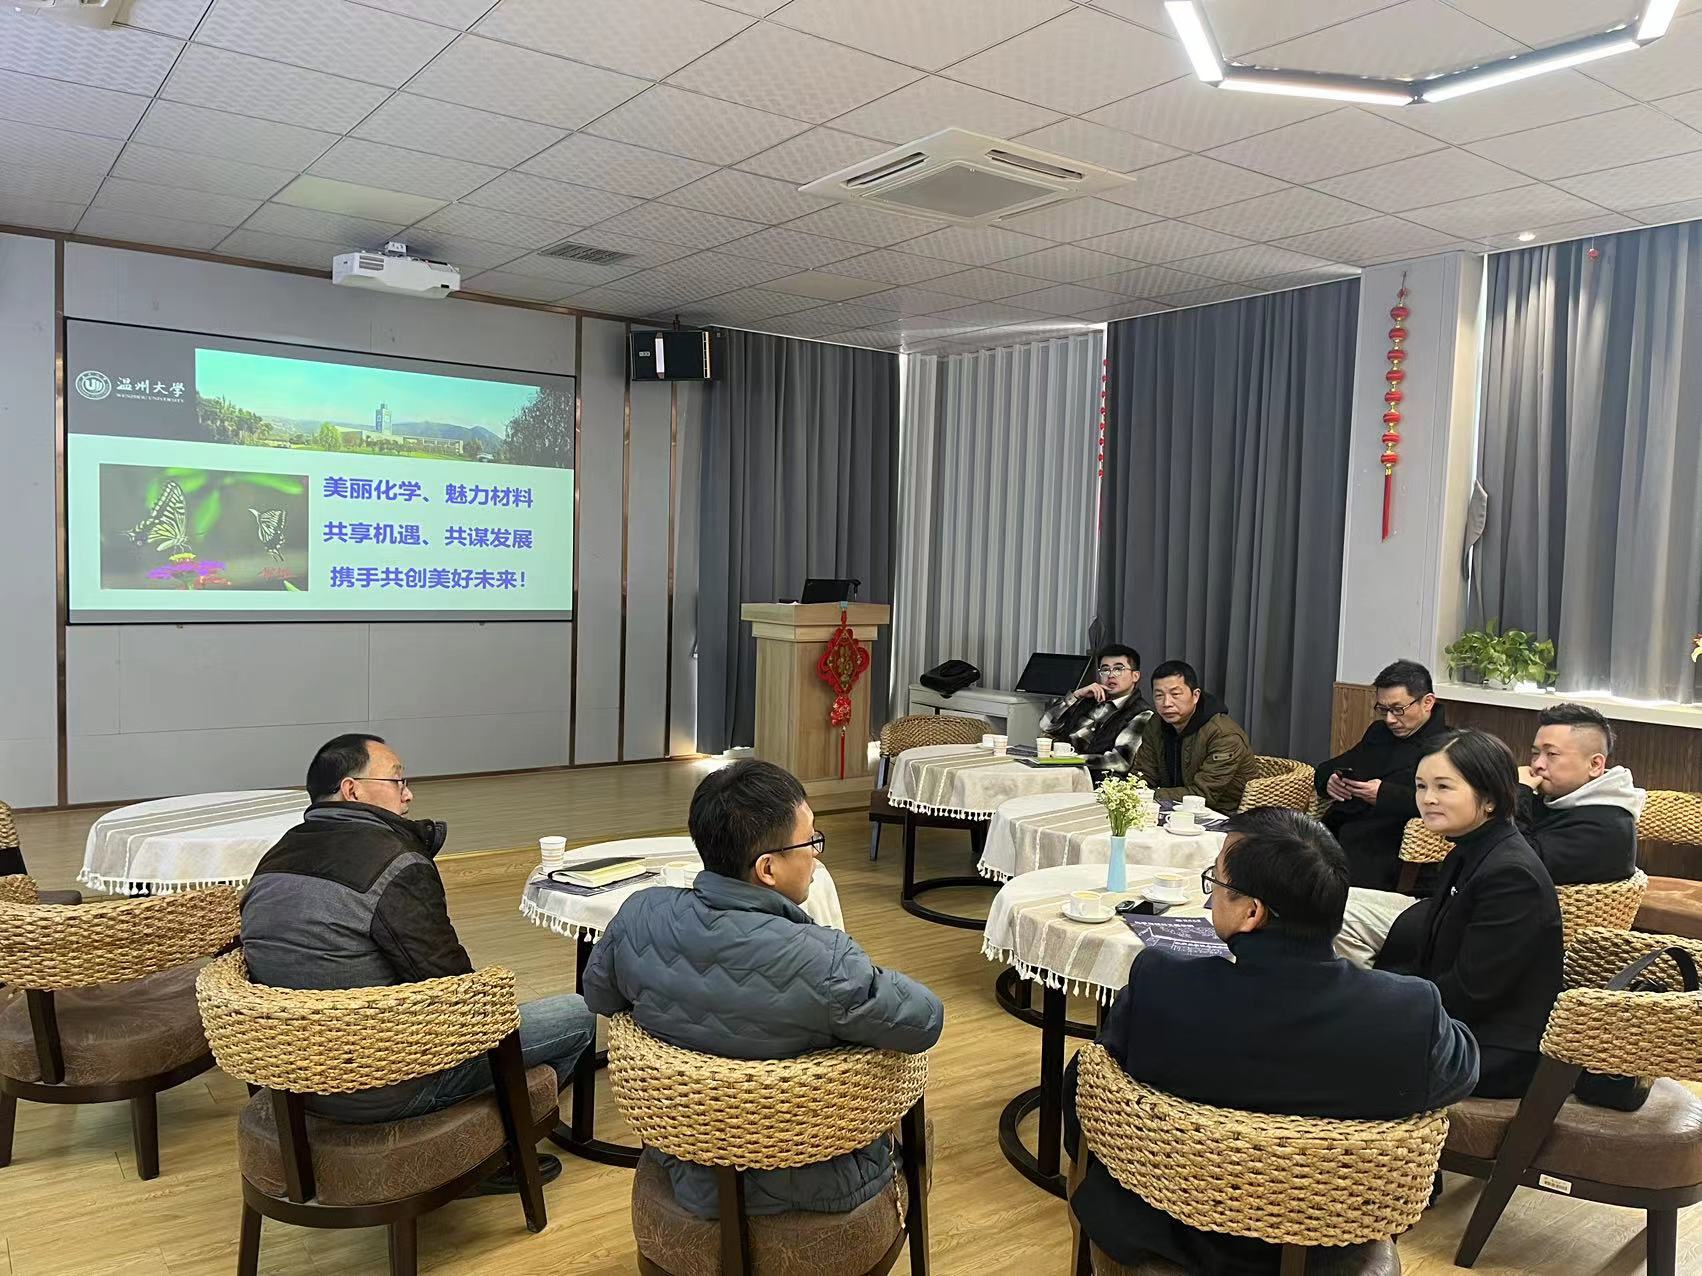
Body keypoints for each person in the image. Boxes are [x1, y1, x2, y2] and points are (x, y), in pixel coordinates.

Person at [1065, 807, 1478, 1275]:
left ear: (1251, 912)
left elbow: (1105, 1073)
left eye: (1215, 883)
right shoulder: (1409, 1011)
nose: (1210, 898)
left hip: (1165, 1231)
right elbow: (1461, 1074)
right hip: (1329, 1246)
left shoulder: (1163, 982)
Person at [581, 760, 943, 1218]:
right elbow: (926, 1019)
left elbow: (600, 997)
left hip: (686, 1164)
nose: (817, 855)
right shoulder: (824, 961)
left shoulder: (639, 914)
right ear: (767, 869)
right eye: (810, 841)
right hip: (818, 1179)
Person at [241, 734, 594, 1188]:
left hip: (291, 1077)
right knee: (579, 1016)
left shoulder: (275, 857)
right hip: (387, 1079)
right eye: (397, 781)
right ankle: (483, 1158)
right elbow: (457, 995)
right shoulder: (395, 864)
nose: (408, 795)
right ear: (352, 789)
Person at [1376, 729, 1564, 1098]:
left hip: (1493, 1050)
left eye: (1443, 787)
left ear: (1489, 798)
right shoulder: (1469, 849)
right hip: (1458, 1025)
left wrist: (1387, 1009)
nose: (1427, 799)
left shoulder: (1511, 875)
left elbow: (1472, 992)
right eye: (1420, 786)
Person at [1315, 659, 1451, 890]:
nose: (1390, 719)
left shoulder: (1448, 746)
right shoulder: (1379, 732)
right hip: (1340, 830)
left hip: (1392, 845)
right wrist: (1329, 780)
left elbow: (1447, 804)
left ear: (1427, 702)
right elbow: (1330, 766)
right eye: (1383, 710)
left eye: (1398, 710)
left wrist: (1384, 795)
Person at [1518, 702, 1643, 883]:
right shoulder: (1557, 798)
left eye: (1551, 754)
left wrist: (1519, 794)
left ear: (1595, 765)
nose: (1537, 764)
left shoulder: (1604, 826)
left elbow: (1515, 867)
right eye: (1535, 753)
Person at [1130, 660, 1254, 812]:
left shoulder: (1224, 735)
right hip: (1171, 809)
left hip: (1225, 813)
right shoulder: (1156, 723)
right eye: (1159, 695)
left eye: (1175, 694)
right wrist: (1131, 791)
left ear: (1195, 696)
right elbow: (1143, 774)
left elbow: (1203, 794)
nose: (1166, 703)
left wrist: (1147, 795)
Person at [1037, 644, 1151, 779]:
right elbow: (1046, 725)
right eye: (1105, 670)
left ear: (1135, 676)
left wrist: (1070, 760)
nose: (1111, 675)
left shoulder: (1141, 713)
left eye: (1118, 669)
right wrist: (1076, 695)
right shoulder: (1089, 699)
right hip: (1059, 769)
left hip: (1089, 779)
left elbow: (1120, 761)